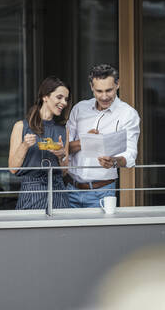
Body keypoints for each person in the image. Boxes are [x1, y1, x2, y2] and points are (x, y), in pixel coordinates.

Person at [66, 64, 140, 208]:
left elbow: (131, 155)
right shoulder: (79, 109)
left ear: (117, 85)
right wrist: (84, 142)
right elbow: (64, 149)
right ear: (91, 87)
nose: (104, 96)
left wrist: (114, 161)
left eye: (109, 90)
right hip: (70, 190)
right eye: (99, 91)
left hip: (102, 193)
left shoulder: (128, 114)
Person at [9, 76, 71, 209]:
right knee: (32, 230)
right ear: (45, 97)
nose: (64, 103)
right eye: (59, 97)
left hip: (58, 192)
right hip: (32, 192)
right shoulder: (21, 126)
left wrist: (61, 156)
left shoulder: (63, 130)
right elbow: (13, 168)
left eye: (66, 99)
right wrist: (24, 146)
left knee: (62, 230)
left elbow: (64, 171)